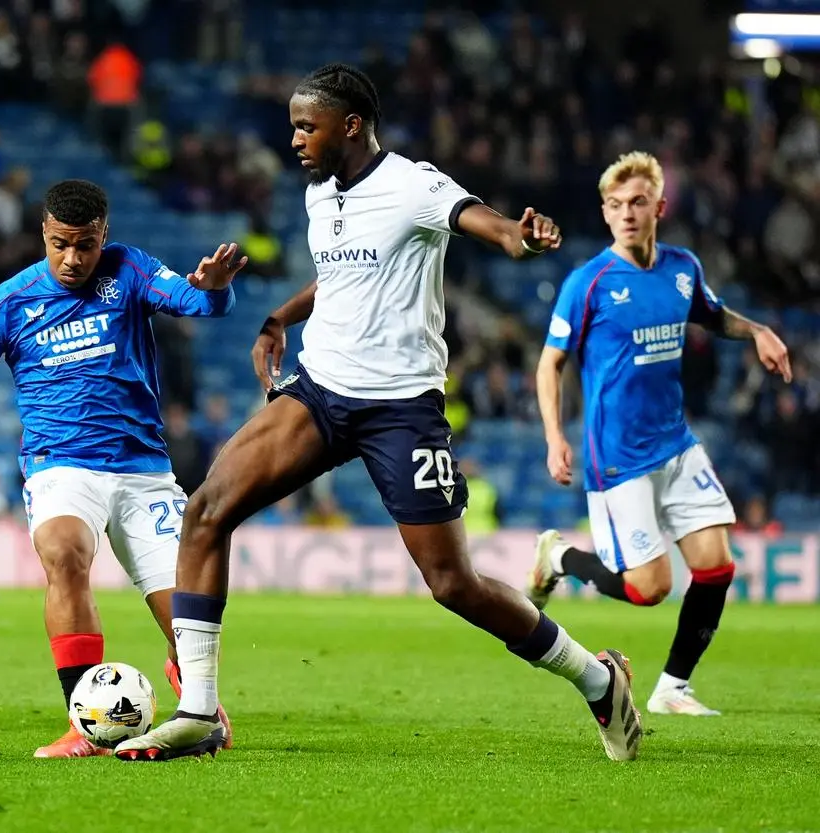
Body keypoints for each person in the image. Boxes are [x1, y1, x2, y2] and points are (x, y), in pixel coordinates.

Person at [116, 63, 641, 763]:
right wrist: (279, 315)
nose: (296, 138)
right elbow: (339, 274)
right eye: (295, 124)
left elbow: (488, 226)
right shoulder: (318, 196)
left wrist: (523, 236)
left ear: (352, 125)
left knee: (453, 584)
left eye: (308, 125)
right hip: (322, 389)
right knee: (206, 508)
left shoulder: (414, 186)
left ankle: (597, 679)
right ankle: (199, 710)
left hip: (402, 407)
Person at [0, 179, 239, 758]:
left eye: (86, 245)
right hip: (60, 465)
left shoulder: (129, 269)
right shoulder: (5, 306)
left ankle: (192, 688)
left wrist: (216, 292)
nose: (73, 259)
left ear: (104, 236)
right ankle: (83, 724)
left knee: (187, 618)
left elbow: (196, 301)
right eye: (60, 244)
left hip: (143, 469)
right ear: (44, 234)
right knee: (64, 551)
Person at [526, 151, 791, 717]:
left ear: (659, 208)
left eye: (638, 202)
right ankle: (561, 557)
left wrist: (759, 331)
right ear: (604, 212)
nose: (627, 212)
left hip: (675, 443)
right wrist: (554, 435)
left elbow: (715, 316)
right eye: (616, 205)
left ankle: (673, 686)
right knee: (649, 589)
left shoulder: (681, 267)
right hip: (617, 455)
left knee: (717, 566)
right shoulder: (588, 282)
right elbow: (549, 364)